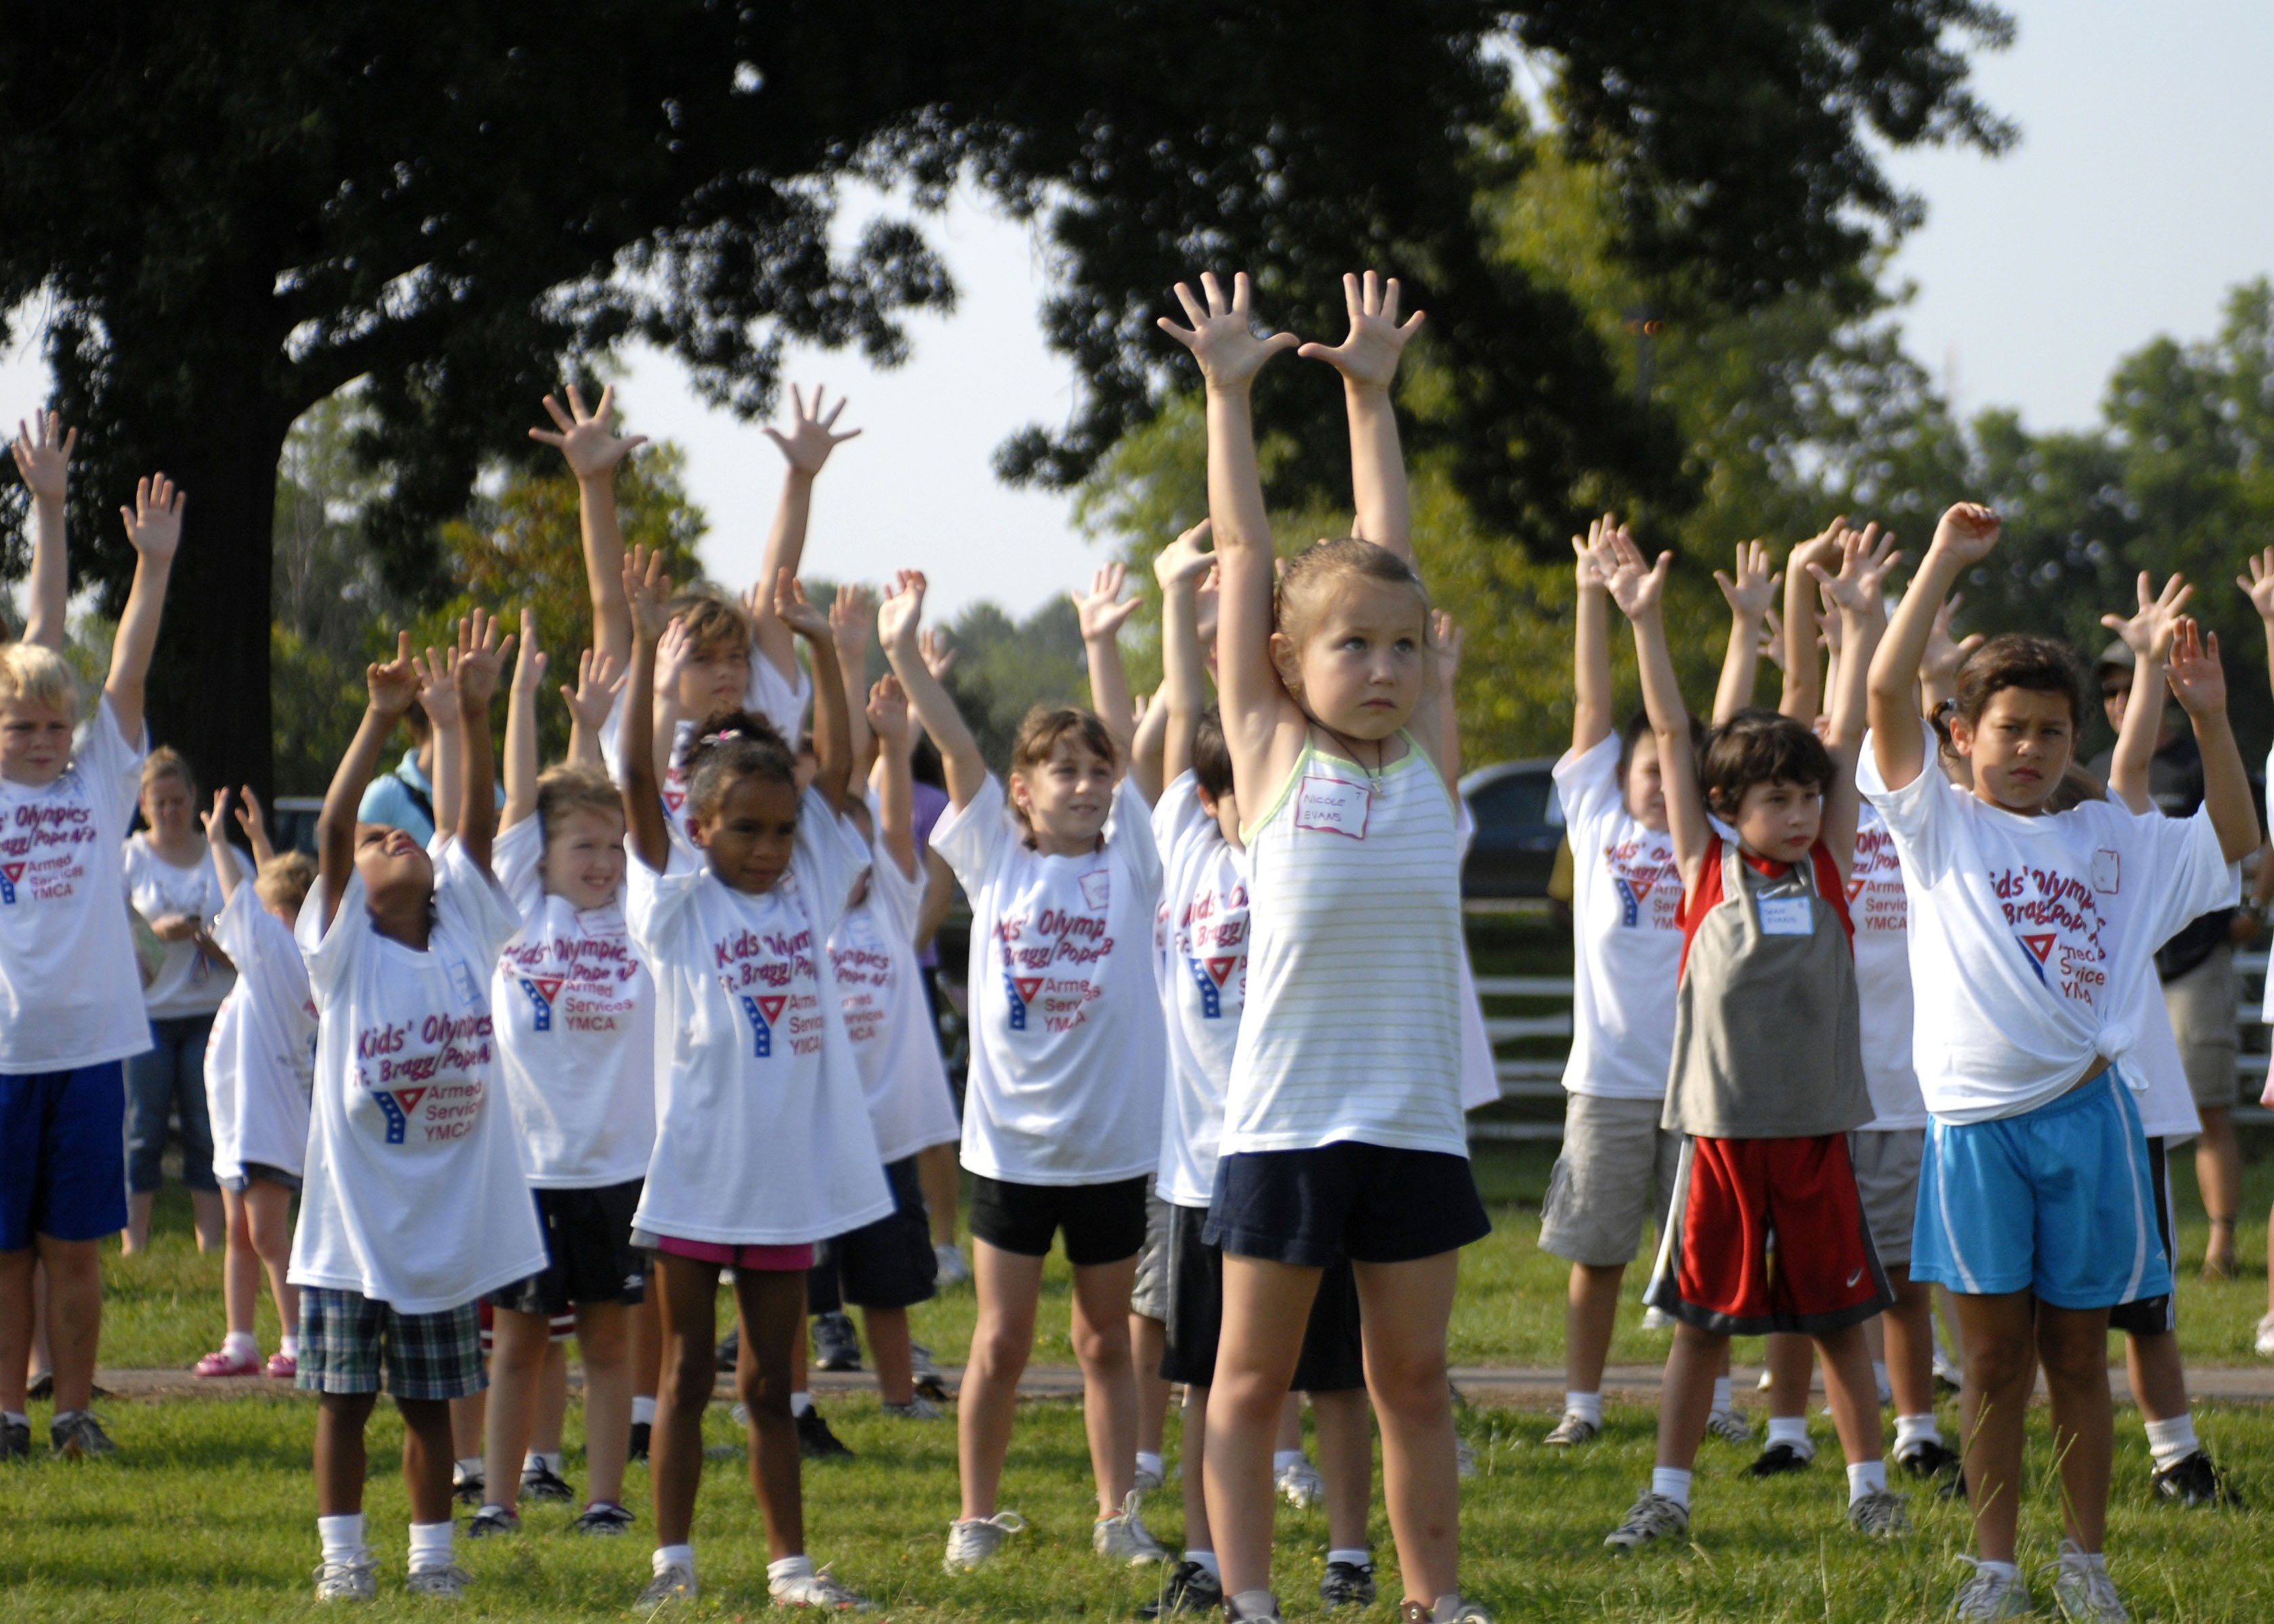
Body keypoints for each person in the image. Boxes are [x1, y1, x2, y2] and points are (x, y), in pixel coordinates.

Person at [1160, 268, 1491, 1624]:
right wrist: (1226, 394)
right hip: (1286, 1123)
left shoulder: (1424, 761)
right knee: (1248, 1381)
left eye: (1404, 647)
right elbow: (1246, 552)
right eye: (1351, 646)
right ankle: (1249, 1597)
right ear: (1284, 665)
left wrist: (1370, 397)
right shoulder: (1270, 750)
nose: (1385, 666)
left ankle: (1431, 1596)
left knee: (1408, 1380)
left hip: (1413, 1123)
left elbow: (1386, 542)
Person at [1861, 505, 2256, 1621]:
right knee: (1992, 1364)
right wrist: (1942, 558)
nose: (2029, 748)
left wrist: (2209, 718)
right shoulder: (1937, 826)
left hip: (2089, 1125)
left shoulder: (2110, 839)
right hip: (1974, 1132)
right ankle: (1994, 1566)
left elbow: (2235, 845)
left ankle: (2085, 1560)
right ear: (1961, 736)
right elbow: (1884, 691)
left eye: (2049, 730)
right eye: (2008, 728)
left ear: (2074, 738)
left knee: (2078, 1357)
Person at [1598, 524, 1905, 1553]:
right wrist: (1644, 622)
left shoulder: (1830, 868)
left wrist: (1857, 620)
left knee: (1839, 1322)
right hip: (1721, 1139)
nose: (1803, 811)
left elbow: (1845, 732)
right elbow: (1670, 730)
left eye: (1810, 796)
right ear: (1728, 807)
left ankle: (1870, 1488)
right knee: (1700, 1326)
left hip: (1816, 1134)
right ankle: (1667, 1496)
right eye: (1779, 798)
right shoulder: (1705, 866)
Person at [878, 559, 1171, 1575]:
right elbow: (957, 749)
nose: (1085, 786)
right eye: (1064, 772)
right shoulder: (995, 857)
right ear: (1023, 791)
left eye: (1097, 773)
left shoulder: (1133, 858)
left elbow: (1126, 743)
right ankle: (975, 1518)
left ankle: (1117, 1514)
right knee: (1000, 1343)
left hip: (1111, 1150)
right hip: (1010, 1151)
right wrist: (902, 652)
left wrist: (1102, 643)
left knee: (1104, 1341)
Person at [616, 547, 885, 1611]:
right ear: (701, 828)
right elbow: (634, 782)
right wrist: (642, 646)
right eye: (745, 829)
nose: (770, 848)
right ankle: (672, 1567)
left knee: (772, 1383)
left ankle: (789, 1571)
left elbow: (844, 771)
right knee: (685, 1375)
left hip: (783, 1181)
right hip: (695, 1173)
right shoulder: (677, 899)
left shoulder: (809, 883)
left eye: (781, 830)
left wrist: (825, 651)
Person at [1139, 522, 1377, 1619]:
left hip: (1308, 1145)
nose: (1252, 799)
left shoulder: (1304, 844)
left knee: (1337, 1373)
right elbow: (1194, 719)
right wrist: (1179, 606)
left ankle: (1348, 1551)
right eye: (1230, 789)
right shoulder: (1186, 844)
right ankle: (1206, 1553)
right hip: (1203, 1172)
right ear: (1208, 798)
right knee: (1209, 1377)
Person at [293, 612, 549, 1603]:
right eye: (375, 842)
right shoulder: (344, 948)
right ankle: (343, 1558)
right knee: (344, 1401)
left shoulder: (464, 934)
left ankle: (432, 1557)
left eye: (400, 831)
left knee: (431, 1404)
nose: (391, 837)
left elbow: (473, 826)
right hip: (350, 1233)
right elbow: (330, 829)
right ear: (348, 886)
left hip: (439, 1229)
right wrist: (377, 716)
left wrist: (473, 715)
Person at [1750, 528, 1963, 1491]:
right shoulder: (1824, 820)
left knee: (1903, 1276)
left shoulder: (1925, 803)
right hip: (1815, 1090)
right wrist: (1823, 603)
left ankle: (1915, 1426)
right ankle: (1787, 1427)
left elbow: (1891, 703)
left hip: (1904, 1086)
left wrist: (1878, 623)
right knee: (1796, 1277)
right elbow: (1822, 706)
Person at [0, 421, 183, 1463]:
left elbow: (118, 661)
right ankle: (7, 1415)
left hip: (86, 1050)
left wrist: (150, 564)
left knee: (75, 1247)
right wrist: (49, 509)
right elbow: (37, 638)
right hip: (5, 1052)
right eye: (20, 726)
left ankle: (72, 1411)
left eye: (52, 726)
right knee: (1, 1252)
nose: (41, 739)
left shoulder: (102, 780)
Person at [465, 611, 653, 1542]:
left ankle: (604, 1500)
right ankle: (498, 1501)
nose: (604, 862)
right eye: (585, 846)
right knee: (520, 1344)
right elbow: (515, 807)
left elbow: (627, 807)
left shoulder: (640, 917)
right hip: (527, 1168)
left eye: (614, 847)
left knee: (610, 1343)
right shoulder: (517, 909)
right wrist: (523, 698)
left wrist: (606, 725)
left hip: (618, 1170)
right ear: (541, 856)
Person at [1538, 517, 1712, 1453]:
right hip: (1606, 1080)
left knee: (1701, 1259)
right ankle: (1584, 1401)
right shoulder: (1597, 819)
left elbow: (1678, 726)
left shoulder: (1710, 844)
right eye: (1643, 769)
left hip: (1698, 1084)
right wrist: (1589, 600)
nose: (1655, 782)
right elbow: (1591, 707)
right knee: (1597, 1253)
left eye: (1668, 771)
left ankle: (1711, 1400)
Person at [795, 590, 959, 1428]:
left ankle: (897, 1395)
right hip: (813, 1125)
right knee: (799, 1275)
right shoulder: (800, 911)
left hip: (885, 1134)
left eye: (865, 844)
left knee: (888, 1280)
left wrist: (895, 742)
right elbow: (837, 785)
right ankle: (790, 1397)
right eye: (841, 845)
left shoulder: (891, 902)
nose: (858, 857)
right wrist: (844, 658)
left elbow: (892, 820)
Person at [2089, 625, 2250, 1280]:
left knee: (2207, 1104)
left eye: (2133, 685)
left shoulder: (2196, 759)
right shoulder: (2089, 773)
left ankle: (2219, 1241)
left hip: (2190, 961)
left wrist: (2250, 907)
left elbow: (2246, 839)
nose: (2119, 701)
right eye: (2109, 690)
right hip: (2119, 977)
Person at [192, 787, 316, 1382]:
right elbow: (268, 898)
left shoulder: (280, 956)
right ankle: (240, 1338)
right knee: (240, 1234)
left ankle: (298, 1337)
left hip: (265, 1121)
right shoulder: (284, 954)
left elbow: (245, 901)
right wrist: (261, 839)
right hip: (241, 1119)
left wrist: (219, 842)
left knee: (266, 1234)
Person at [121, 747, 235, 1254]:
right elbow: (104, 934)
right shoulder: (129, 858)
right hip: (145, 1014)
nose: (169, 811)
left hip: (211, 1010)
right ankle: (134, 1242)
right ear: (143, 805)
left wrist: (219, 946)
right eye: (159, 802)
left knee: (207, 1128)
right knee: (142, 1128)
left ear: (193, 797)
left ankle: (210, 1242)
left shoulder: (223, 856)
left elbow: (257, 930)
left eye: (178, 800)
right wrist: (156, 932)